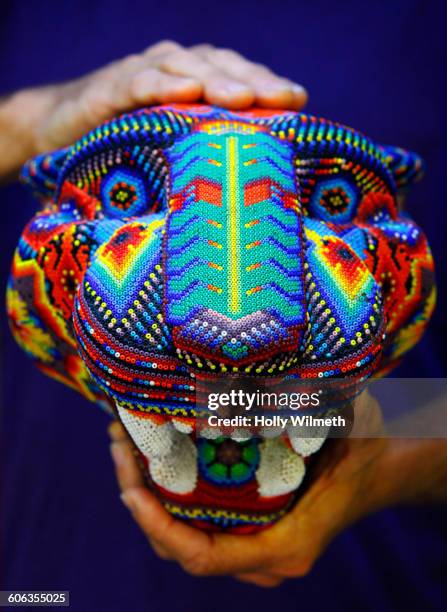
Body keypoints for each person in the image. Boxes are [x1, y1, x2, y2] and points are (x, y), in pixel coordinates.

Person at [1, 40, 446, 590]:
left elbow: (438, 404)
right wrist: (26, 123)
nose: (232, 338)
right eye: (122, 194)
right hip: (45, 582)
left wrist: (399, 448)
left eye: (333, 201)